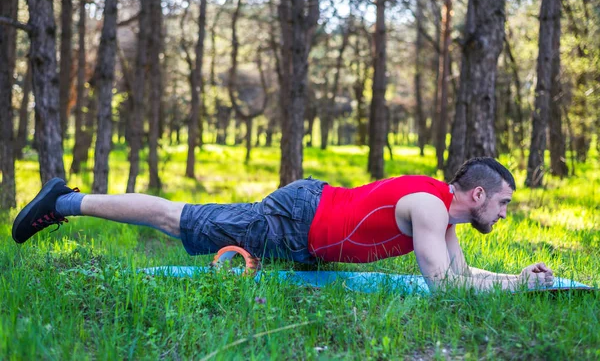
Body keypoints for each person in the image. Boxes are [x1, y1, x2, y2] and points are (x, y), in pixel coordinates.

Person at [12, 157, 553, 291]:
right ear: (477, 194)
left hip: (309, 227)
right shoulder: (433, 208)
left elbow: (463, 277)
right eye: (502, 203)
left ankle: (66, 202)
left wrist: (516, 282)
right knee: (176, 219)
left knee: (179, 222)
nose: (503, 214)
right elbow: (443, 286)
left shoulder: (445, 216)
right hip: (295, 224)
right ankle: (63, 203)